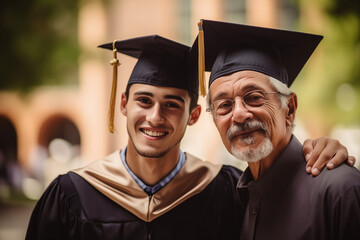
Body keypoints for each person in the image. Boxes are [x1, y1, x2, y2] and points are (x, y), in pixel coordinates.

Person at [26, 35, 352, 240]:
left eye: (172, 104)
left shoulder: (224, 191)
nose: (155, 117)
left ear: (193, 116)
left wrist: (318, 149)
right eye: (144, 100)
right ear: (123, 104)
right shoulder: (70, 196)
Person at [198, 19, 360, 239]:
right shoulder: (236, 208)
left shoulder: (340, 191)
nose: (238, 114)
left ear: (290, 109)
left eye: (253, 97)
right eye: (224, 105)